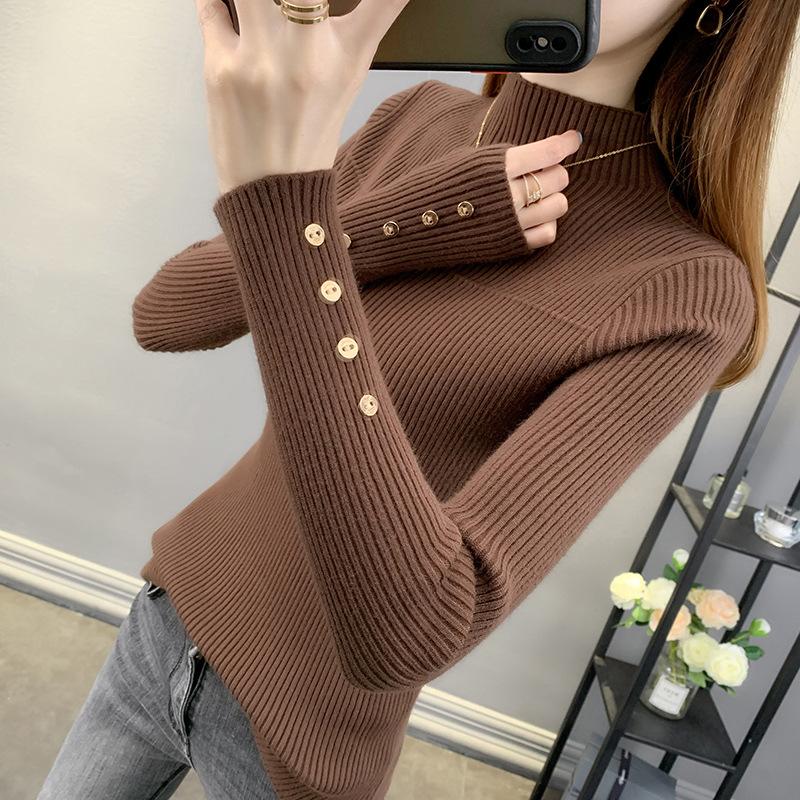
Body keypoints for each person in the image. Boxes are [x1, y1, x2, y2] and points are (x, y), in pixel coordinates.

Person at [37, 1, 796, 799]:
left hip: (296, 740)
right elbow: (165, 313)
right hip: (170, 616)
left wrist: (288, 211)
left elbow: (418, 627)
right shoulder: (418, 118)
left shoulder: (685, 286)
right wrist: (416, 219)